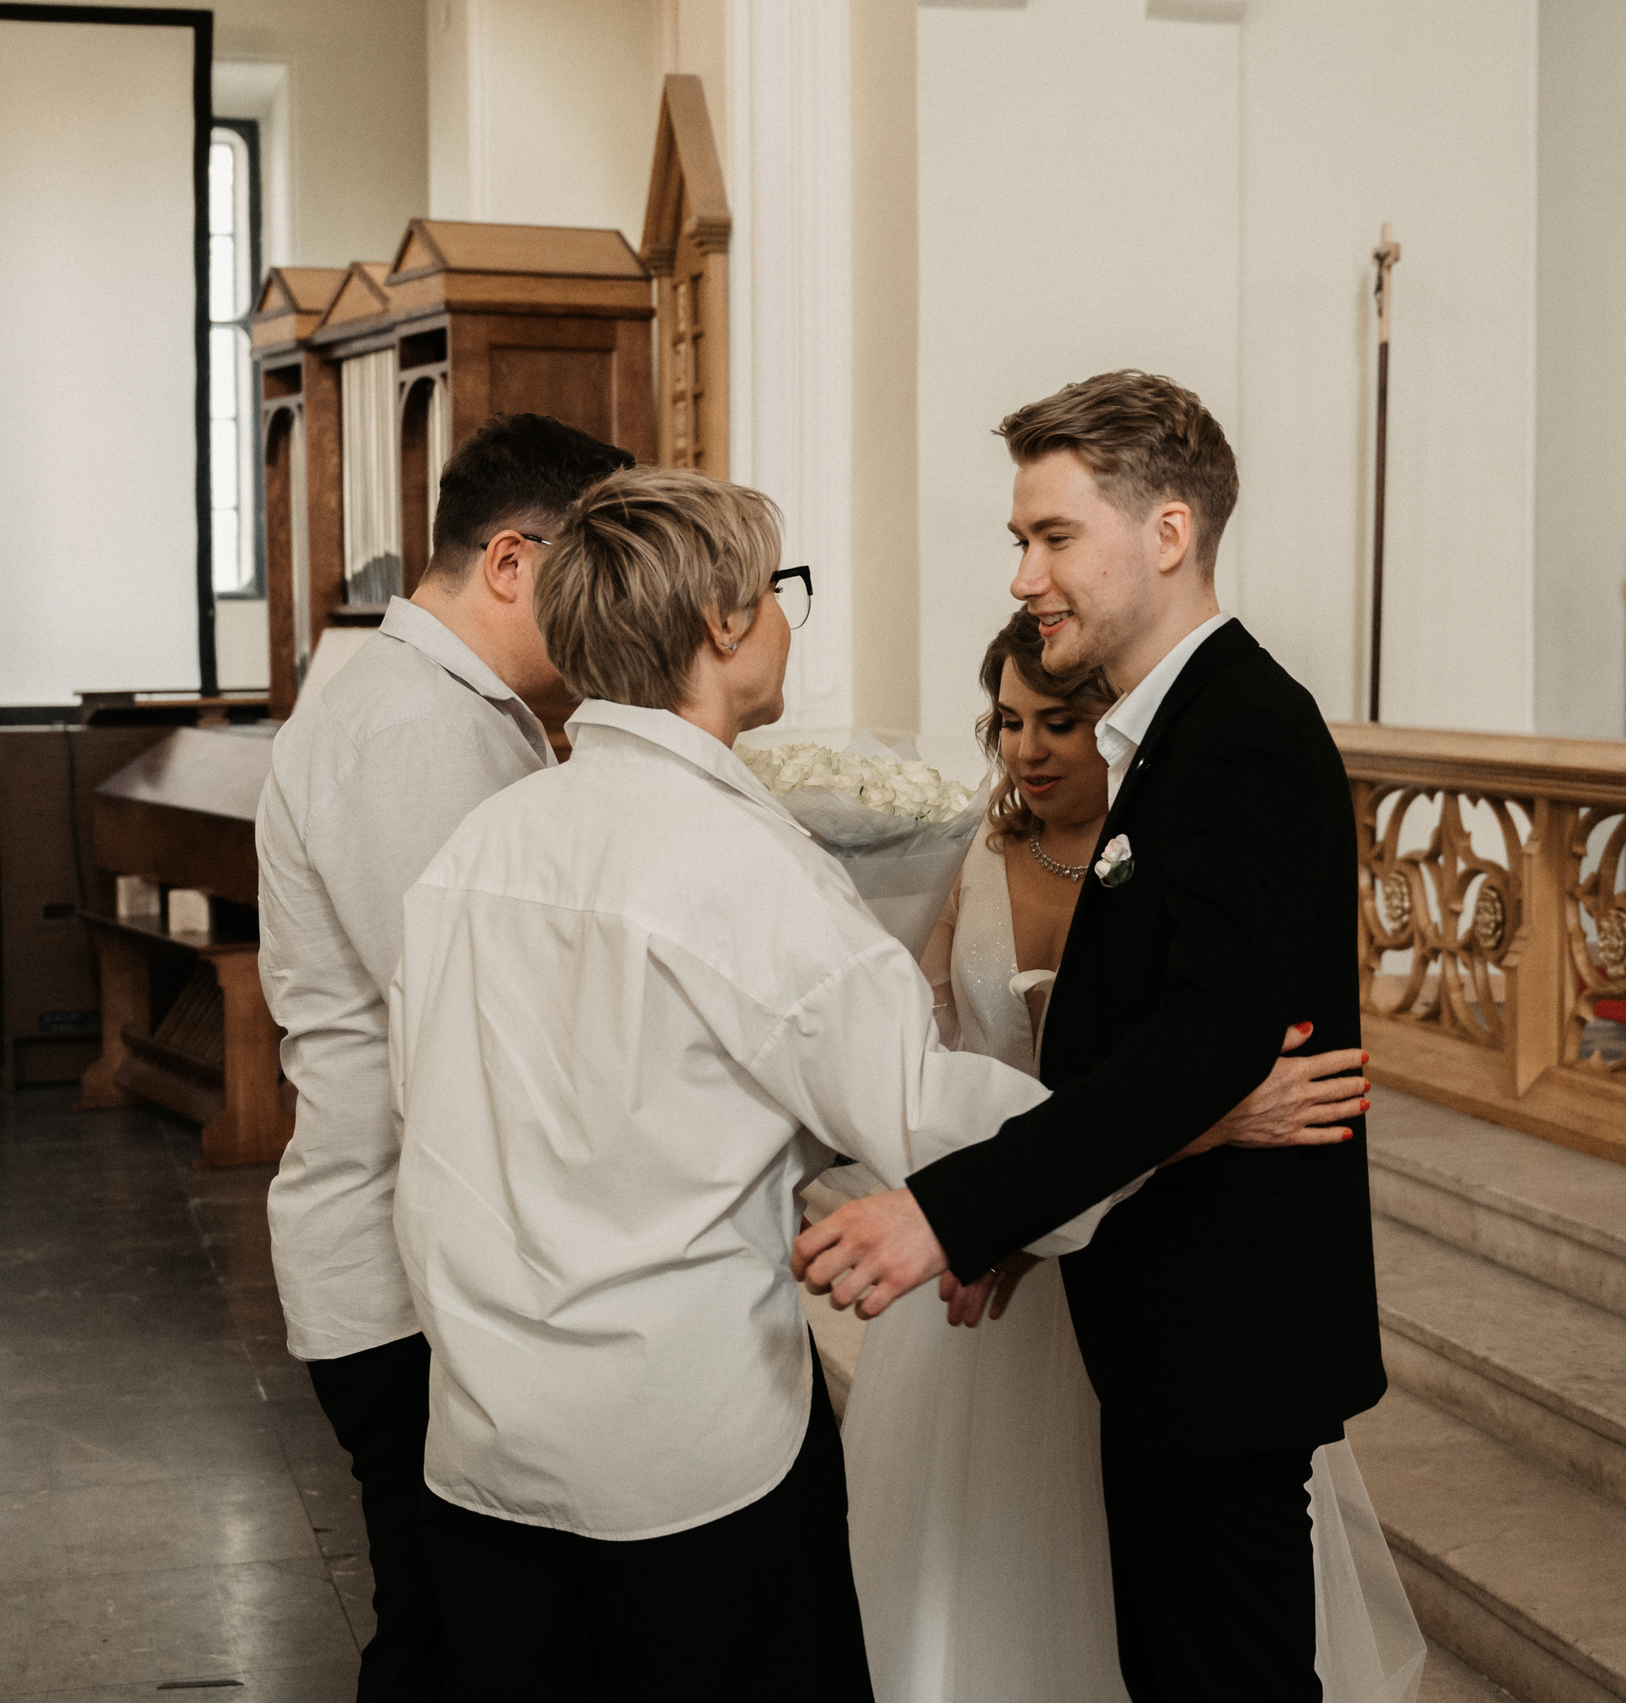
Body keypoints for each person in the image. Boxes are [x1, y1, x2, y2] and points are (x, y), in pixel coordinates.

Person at [385, 467, 1351, 1702]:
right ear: (724, 625)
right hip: (679, 1454)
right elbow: (915, 1107)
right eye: (779, 590)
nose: (789, 615)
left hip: (482, 1437)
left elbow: (462, 1122)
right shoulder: (739, 864)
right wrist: (1189, 1122)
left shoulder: (480, 845)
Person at [796, 371, 1389, 1703]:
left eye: (1053, 537)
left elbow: (1202, 1040)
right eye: (1024, 540)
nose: (1025, 576)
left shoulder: (1237, 733)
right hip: (1170, 1312)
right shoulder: (1167, 733)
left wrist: (953, 1207)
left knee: (1223, 1676)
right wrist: (1017, 1222)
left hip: (1223, 1332)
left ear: (1166, 533)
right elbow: (1127, 1043)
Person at [257, 411, 632, 1701]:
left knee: (468, 1633)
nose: (607, 619)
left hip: (440, 1252)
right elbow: (475, 1011)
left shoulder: (463, 706)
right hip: (402, 1273)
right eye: (596, 576)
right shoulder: (410, 725)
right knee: (453, 1643)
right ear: (517, 564)